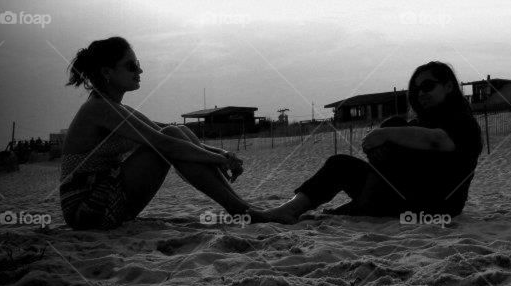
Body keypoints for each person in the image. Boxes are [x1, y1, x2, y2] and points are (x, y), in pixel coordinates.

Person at [60, 36, 271, 229]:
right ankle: (242, 210)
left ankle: (242, 207)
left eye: (139, 65)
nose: (139, 72)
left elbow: (169, 134)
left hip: (106, 198)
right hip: (87, 211)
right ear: (107, 72)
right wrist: (218, 159)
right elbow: (164, 143)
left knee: (179, 129)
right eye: (131, 66)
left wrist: (223, 155)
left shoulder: (116, 108)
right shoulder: (98, 108)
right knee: (171, 135)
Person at [265, 61, 483, 223]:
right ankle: (291, 208)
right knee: (339, 164)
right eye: (416, 89)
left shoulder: (463, 122)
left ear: (449, 86)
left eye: (428, 86)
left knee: (394, 125)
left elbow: (440, 141)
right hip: (402, 194)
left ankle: (358, 207)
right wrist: (379, 145)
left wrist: (386, 134)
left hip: (435, 205)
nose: (421, 93)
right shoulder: (419, 123)